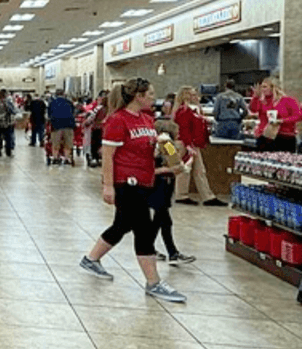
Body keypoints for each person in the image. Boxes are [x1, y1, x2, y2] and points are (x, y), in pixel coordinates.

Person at [79, 78, 187, 303]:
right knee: (143, 229)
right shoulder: (118, 121)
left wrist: (162, 149)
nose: (153, 98)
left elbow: (146, 148)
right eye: (150, 94)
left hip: (145, 179)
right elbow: (108, 156)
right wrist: (107, 186)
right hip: (126, 182)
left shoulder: (147, 120)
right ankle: (153, 282)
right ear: (138, 96)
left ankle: (91, 259)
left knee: (123, 225)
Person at [152, 121, 196, 265]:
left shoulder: (159, 144)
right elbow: (176, 164)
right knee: (164, 220)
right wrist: (188, 161)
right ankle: (172, 253)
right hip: (161, 185)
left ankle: (149, 248)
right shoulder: (166, 144)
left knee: (159, 220)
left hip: (161, 184)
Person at [172, 86, 225, 206]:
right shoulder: (183, 111)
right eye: (193, 94)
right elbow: (184, 130)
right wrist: (189, 146)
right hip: (186, 144)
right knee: (186, 170)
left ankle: (206, 196)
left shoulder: (193, 110)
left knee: (198, 171)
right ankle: (184, 195)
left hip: (192, 144)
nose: (197, 97)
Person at [249, 76, 301, 152]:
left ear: (273, 87)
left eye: (265, 87)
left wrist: (282, 121)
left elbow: (298, 116)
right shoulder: (262, 101)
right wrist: (255, 97)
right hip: (265, 136)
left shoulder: (289, 101)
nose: (262, 89)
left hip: (285, 136)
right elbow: (253, 109)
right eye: (261, 87)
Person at [48, 88, 76, 165]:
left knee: (56, 144)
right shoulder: (69, 102)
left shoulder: (52, 103)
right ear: (64, 94)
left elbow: (49, 114)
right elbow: (73, 112)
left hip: (57, 125)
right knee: (68, 144)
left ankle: (55, 158)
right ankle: (67, 158)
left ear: (56, 94)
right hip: (68, 124)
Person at [0, 89, 17, 158]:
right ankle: (8, 152)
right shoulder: (6, 101)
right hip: (6, 122)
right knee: (8, 138)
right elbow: (12, 111)